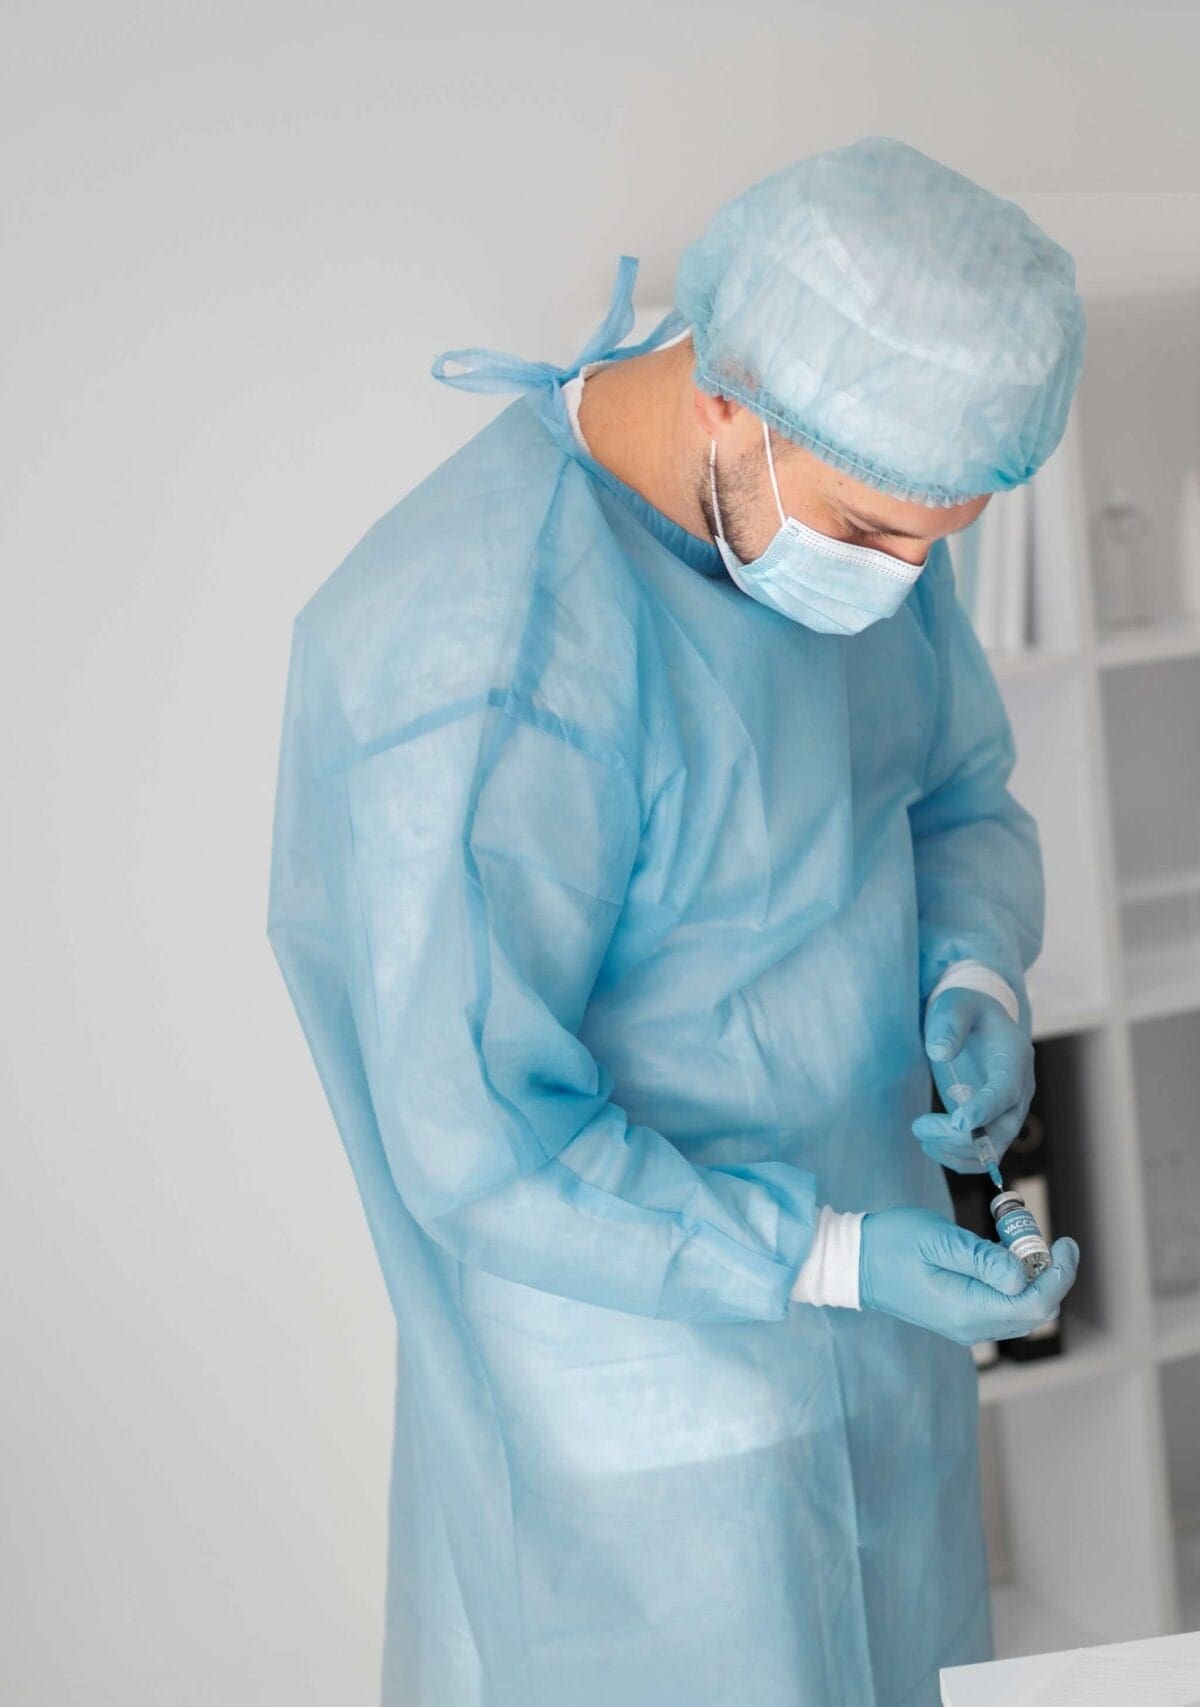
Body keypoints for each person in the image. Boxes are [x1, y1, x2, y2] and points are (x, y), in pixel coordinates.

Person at [268, 140, 1086, 1707]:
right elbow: (481, 1141)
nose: (911, 579)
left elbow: (954, 789)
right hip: (643, 1429)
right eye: (884, 534)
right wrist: (834, 1253)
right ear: (726, 399)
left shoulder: (840, 505)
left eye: (941, 544)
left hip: (878, 1332)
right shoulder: (489, 660)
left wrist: (968, 962)